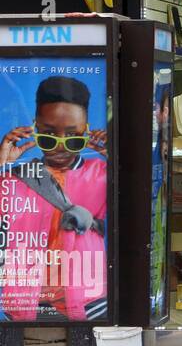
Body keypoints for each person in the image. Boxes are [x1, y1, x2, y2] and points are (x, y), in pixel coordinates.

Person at [0, 75, 108, 321]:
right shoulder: (16, 176)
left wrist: (117, 162)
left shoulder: (101, 172)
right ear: (35, 129)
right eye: (48, 137)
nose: (61, 147)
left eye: (74, 138)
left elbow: (132, 220)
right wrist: (2, 167)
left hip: (90, 299)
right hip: (27, 301)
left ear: (87, 132)